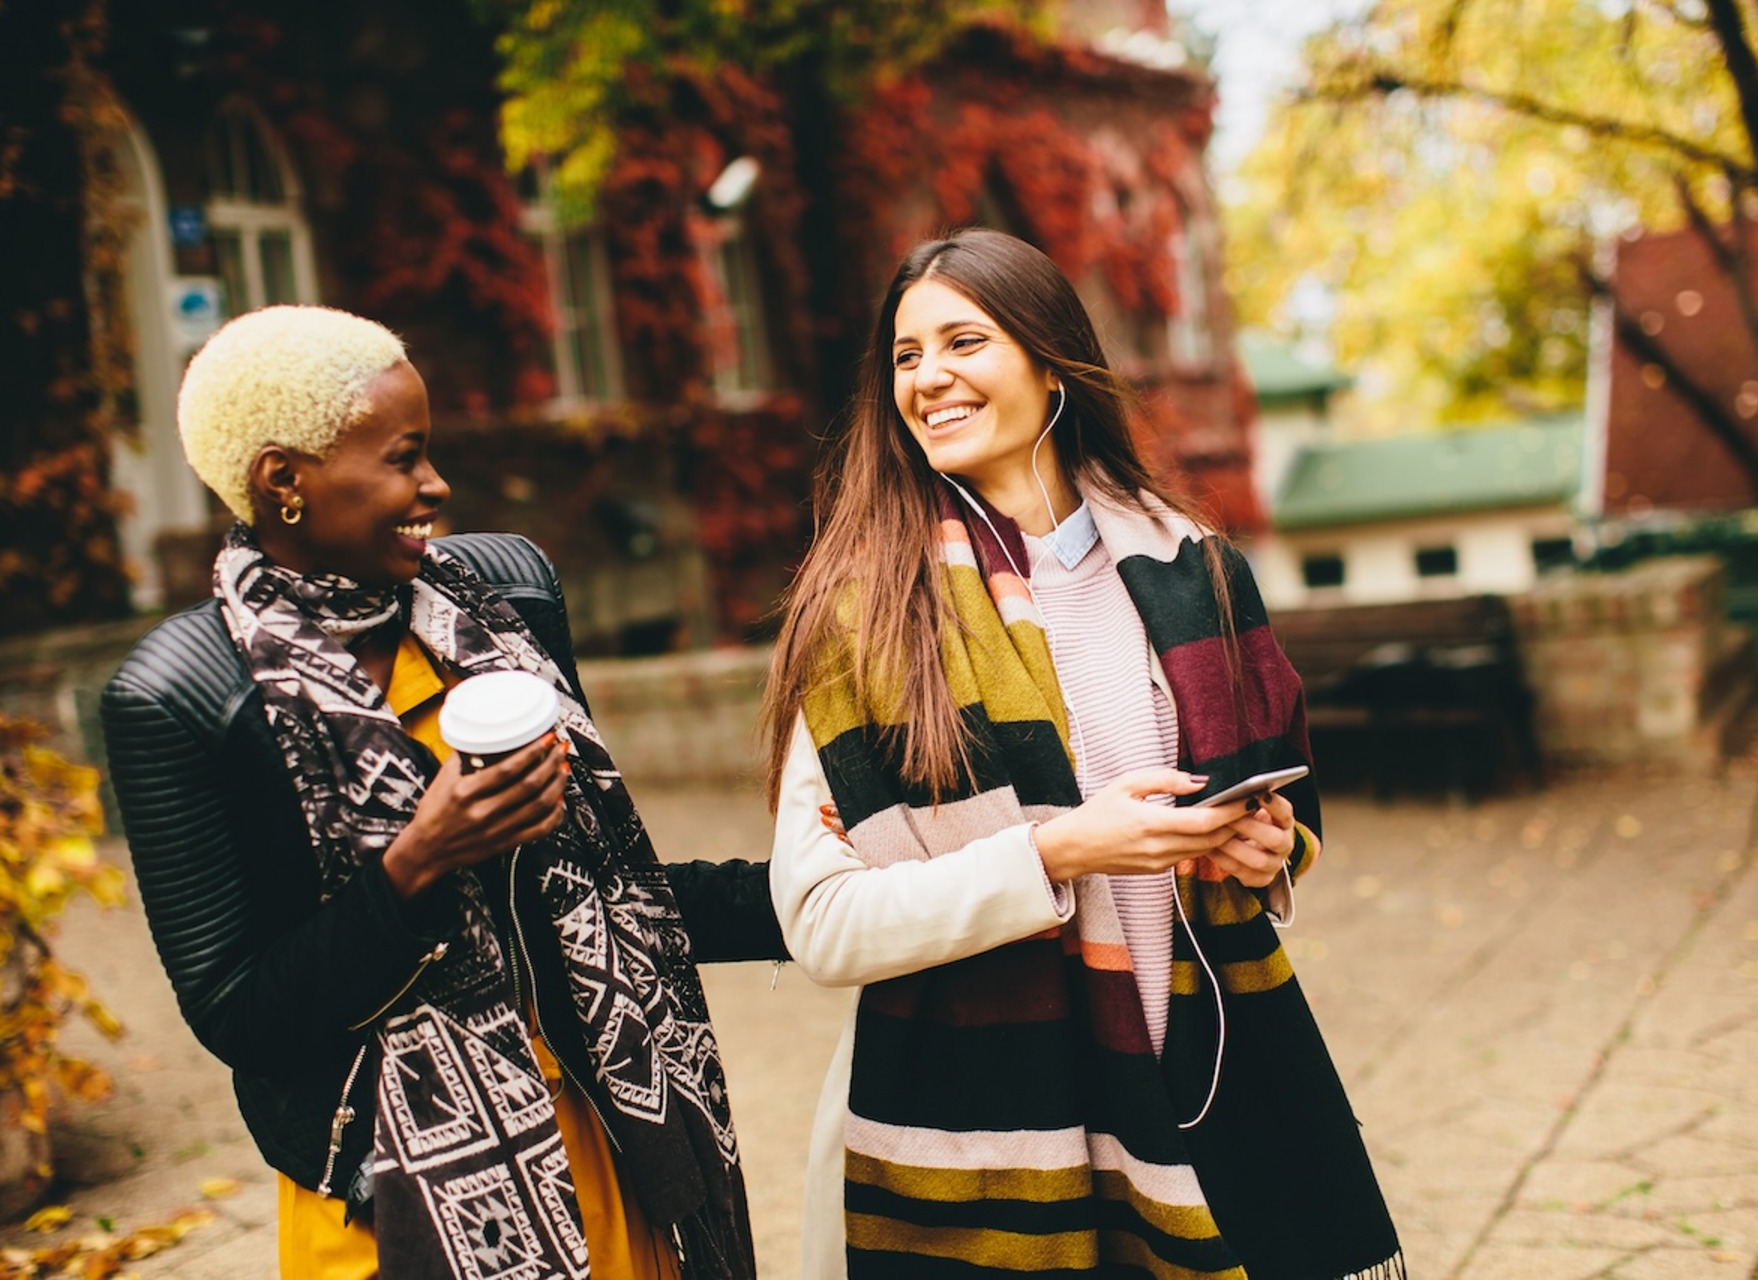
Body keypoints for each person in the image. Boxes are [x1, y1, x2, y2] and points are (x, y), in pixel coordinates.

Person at [763, 228, 1403, 1278]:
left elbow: (1287, 806)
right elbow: (822, 922)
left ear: (1049, 357)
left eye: (963, 340)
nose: (928, 378)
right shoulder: (868, 621)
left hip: (1215, 1082)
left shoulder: (1191, 566)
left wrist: (1269, 849)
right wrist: (1059, 852)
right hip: (994, 1123)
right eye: (906, 355)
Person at [100, 305, 779, 1280]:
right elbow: (239, 1009)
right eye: (402, 457)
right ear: (283, 479)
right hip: (399, 1198)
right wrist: (421, 858)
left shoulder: (507, 603)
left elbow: (606, 891)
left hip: (605, 1131)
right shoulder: (183, 695)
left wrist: (834, 893)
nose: (435, 484)